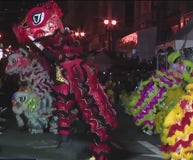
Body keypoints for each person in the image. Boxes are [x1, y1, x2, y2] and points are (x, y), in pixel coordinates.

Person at [13, 1, 117, 159]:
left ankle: (100, 149)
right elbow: (51, 55)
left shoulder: (63, 42)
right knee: (63, 103)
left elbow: (56, 54)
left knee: (92, 109)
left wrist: (37, 43)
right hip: (62, 71)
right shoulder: (50, 43)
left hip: (75, 73)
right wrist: (36, 43)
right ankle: (67, 136)